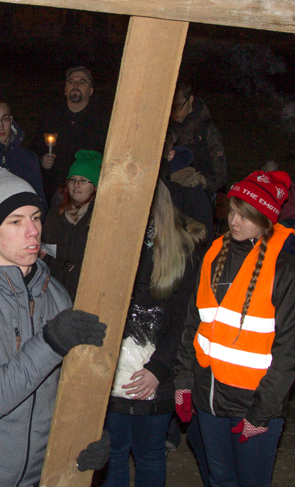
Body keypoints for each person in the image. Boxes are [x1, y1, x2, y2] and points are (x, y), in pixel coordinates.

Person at [0, 169, 109, 487]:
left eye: (36, 217)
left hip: (37, 476)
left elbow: (68, 387)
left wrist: (86, 434)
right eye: (16, 221)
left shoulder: (55, 294)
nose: (33, 232)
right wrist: (51, 342)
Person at [172, 170, 295, 487]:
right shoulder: (214, 253)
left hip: (253, 406)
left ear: (267, 220)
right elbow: (194, 322)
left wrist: (261, 413)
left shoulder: (288, 272)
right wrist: (184, 380)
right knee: (219, 479)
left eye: (246, 216)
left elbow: (291, 350)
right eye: (232, 211)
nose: (234, 222)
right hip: (209, 399)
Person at [106, 180, 209, 487]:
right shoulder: (114, 239)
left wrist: (159, 369)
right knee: (113, 451)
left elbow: (182, 320)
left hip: (157, 371)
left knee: (149, 454)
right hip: (114, 370)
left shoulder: (184, 249)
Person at [30, 66, 110, 201]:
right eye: (71, 81)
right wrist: (41, 160)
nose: (76, 84)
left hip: (88, 197)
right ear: (65, 90)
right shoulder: (51, 118)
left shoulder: (101, 121)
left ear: (90, 91)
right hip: (54, 195)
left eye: (82, 82)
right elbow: (34, 151)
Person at [42, 150, 101, 300]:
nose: (76, 185)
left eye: (83, 180)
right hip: (55, 290)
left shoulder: (100, 218)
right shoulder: (55, 213)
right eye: (72, 179)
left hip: (86, 292)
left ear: (94, 186)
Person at [164, 81, 228, 197]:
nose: (175, 112)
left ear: (191, 99)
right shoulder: (165, 127)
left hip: (199, 196)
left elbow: (220, 175)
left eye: (178, 106)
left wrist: (200, 182)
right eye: (171, 107)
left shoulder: (206, 129)